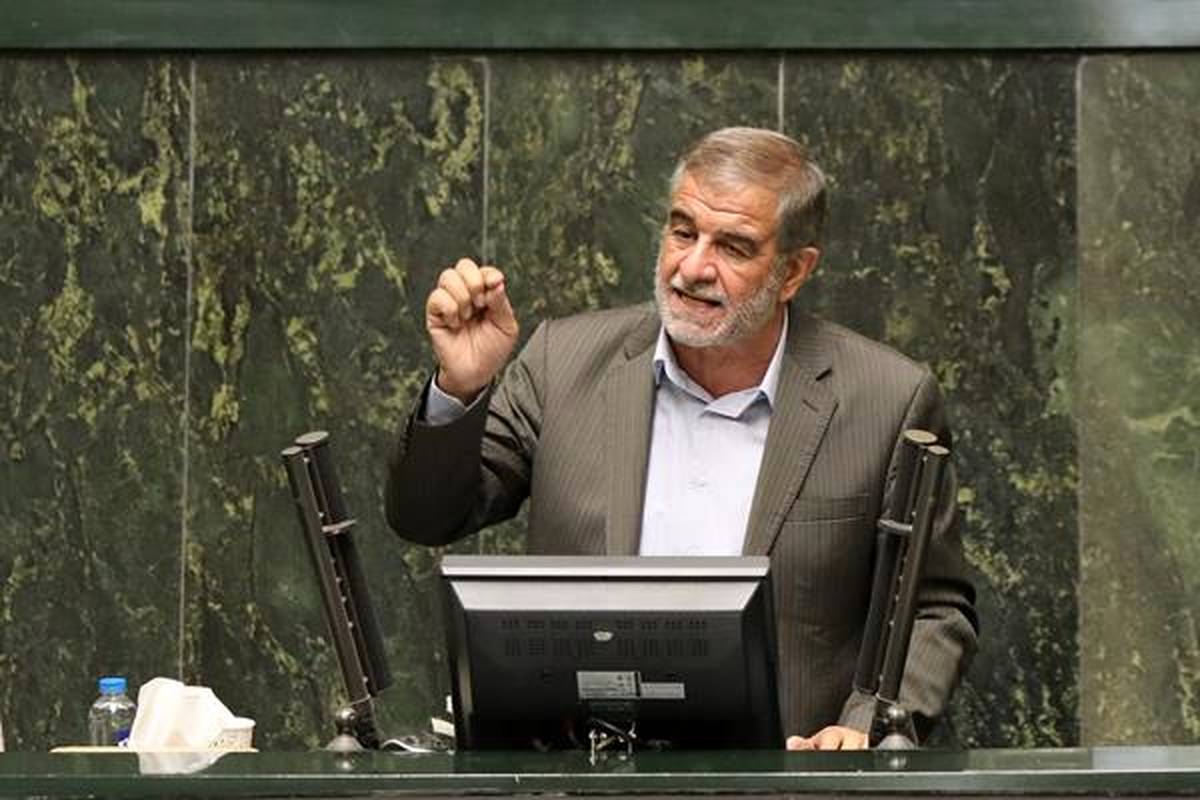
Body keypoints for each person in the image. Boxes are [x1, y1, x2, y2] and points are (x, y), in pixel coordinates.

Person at [387, 127, 978, 750]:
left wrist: (864, 729)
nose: (693, 268)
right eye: (683, 232)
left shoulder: (887, 399)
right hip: (586, 778)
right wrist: (460, 385)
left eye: (734, 247)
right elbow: (427, 517)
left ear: (794, 271)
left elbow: (934, 610)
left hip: (784, 780)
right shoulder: (563, 362)